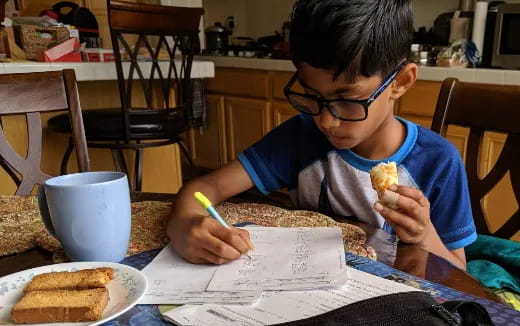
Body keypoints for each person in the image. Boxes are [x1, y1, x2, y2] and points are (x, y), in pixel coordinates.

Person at [167, 0, 476, 269]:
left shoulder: (438, 162)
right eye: (312, 95)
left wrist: (423, 236)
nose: (326, 121)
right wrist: (184, 224)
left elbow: (457, 272)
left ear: (401, 82)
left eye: (347, 100)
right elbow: (205, 186)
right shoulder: (300, 137)